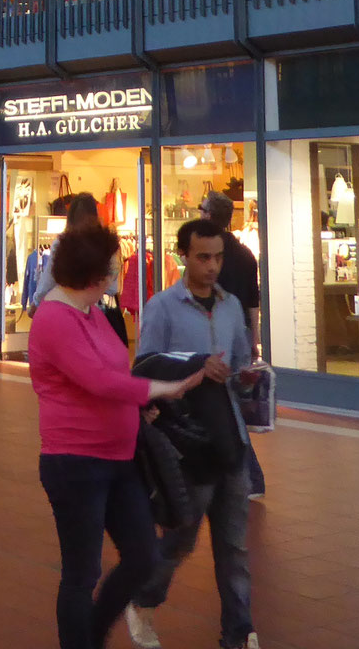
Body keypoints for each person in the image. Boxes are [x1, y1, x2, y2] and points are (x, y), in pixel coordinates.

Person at [31, 222, 204, 649]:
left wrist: (139, 400)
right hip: (75, 461)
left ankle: (89, 636)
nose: (117, 270)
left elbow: (115, 372)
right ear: (94, 274)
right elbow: (97, 381)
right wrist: (158, 389)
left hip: (119, 456)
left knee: (143, 556)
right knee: (81, 572)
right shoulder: (54, 318)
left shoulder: (94, 312)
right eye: (111, 265)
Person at [126, 217, 260, 649]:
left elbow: (240, 362)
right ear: (183, 255)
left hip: (231, 439)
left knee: (234, 549)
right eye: (203, 257)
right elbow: (147, 370)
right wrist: (195, 368)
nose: (212, 266)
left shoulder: (231, 305)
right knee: (181, 538)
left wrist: (249, 379)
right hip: (188, 442)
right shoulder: (163, 307)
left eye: (218, 257)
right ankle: (143, 599)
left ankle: (238, 633)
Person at [202, 193, 265, 498]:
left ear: (209, 215)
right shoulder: (245, 256)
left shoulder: (209, 256)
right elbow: (253, 302)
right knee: (228, 401)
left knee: (224, 404)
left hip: (217, 334)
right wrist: (254, 340)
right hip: (238, 333)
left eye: (202, 210)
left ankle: (248, 476)